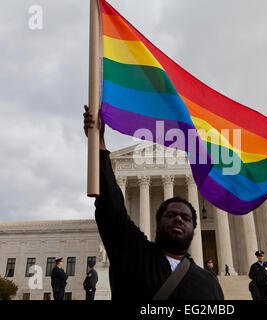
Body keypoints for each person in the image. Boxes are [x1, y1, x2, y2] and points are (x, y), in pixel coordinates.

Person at [83, 106, 224, 300]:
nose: (178, 219)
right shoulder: (133, 257)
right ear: (157, 225)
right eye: (171, 215)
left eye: (185, 217)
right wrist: (98, 142)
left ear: (194, 229)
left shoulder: (208, 283)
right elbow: (111, 209)